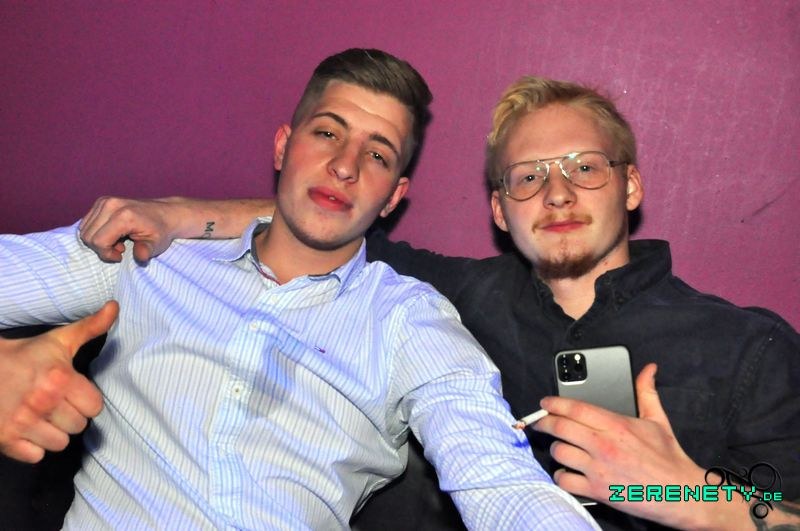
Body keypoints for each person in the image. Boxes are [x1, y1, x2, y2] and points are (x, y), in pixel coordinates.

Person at [78, 75, 800, 530]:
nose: (557, 193)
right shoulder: (440, 301)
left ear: (630, 185)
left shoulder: (745, 347)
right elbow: (322, 215)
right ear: (499, 208)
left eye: (585, 168)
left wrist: (690, 495)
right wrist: (175, 214)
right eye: (528, 176)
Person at [0, 50, 599, 529]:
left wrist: (660, 494)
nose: (345, 166)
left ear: (393, 197)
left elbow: (499, 480)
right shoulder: (148, 254)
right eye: (328, 133)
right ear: (284, 146)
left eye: (378, 154)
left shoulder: (409, 321)